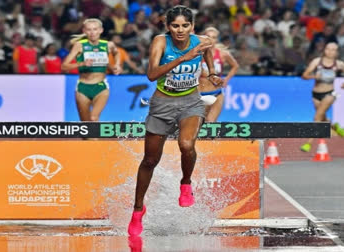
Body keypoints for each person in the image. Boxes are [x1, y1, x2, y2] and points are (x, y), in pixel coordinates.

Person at [127, 5, 222, 236]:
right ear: (168, 27)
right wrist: (184, 58)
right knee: (150, 160)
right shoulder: (161, 42)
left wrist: (210, 72)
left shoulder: (202, 41)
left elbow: (207, 49)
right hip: (162, 104)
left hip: (190, 102)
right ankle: (138, 209)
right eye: (175, 26)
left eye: (185, 26)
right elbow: (151, 75)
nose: (180, 30)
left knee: (186, 145)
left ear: (192, 26)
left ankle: (186, 184)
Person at [61, 18, 121, 122]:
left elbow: (117, 53)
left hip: (101, 87)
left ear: (101, 30)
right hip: (83, 87)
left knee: (94, 118)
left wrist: (117, 65)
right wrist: (82, 63)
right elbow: (64, 66)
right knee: (85, 125)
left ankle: (95, 138)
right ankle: (89, 138)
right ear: (84, 31)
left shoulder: (108, 45)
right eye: (89, 30)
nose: (92, 32)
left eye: (95, 29)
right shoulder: (79, 45)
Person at [300, 42, 344, 152]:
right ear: (324, 50)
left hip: (329, 93)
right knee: (322, 117)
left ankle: (308, 143)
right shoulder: (317, 62)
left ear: (337, 52)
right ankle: (334, 126)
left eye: (333, 49)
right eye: (328, 49)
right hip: (316, 94)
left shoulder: (339, 64)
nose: (330, 51)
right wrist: (314, 76)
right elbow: (304, 75)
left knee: (317, 117)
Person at [198, 27, 239, 122]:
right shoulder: (197, 53)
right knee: (199, 124)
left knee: (211, 123)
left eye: (213, 37)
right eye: (208, 36)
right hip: (199, 93)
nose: (210, 39)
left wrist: (226, 80)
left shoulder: (222, 54)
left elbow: (235, 66)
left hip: (216, 92)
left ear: (216, 39)